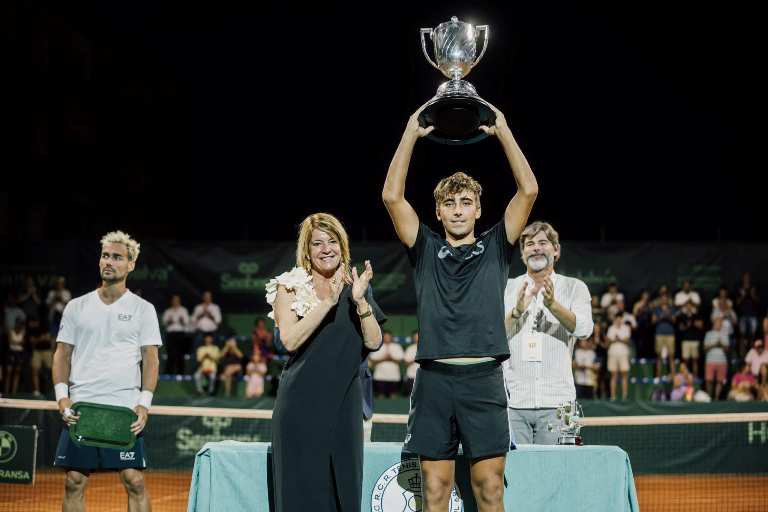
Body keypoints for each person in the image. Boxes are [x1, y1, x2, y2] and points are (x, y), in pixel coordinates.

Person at [382, 101, 538, 511]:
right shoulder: (426, 248)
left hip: (484, 381)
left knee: (490, 490)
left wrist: (503, 130)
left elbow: (529, 190)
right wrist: (410, 134)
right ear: (438, 211)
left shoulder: (496, 247)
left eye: (465, 202)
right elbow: (391, 196)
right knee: (433, 494)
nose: (457, 209)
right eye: (449, 204)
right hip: (434, 382)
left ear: (478, 208)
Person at [266, 213, 384, 512]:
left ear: (342, 246)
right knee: (300, 494)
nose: (326, 248)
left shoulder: (356, 286)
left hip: (345, 404)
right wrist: (327, 303)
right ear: (306, 250)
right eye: (317, 243)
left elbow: (374, 342)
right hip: (300, 406)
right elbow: (290, 340)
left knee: (343, 491)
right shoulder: (289, 286)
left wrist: (360, 302)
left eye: (332, 241)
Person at [52, 230, 161, 512]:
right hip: (82, 406)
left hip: (123, 407)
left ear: (131, 264)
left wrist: (144, 404)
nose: (108, 262)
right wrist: (62, 398)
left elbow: (151, 359)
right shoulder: (76, 307)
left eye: (117, 257)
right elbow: (62, 353)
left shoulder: (143, 309)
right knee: (74, 480)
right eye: (105, 255)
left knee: (134, 480)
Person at [505, 221, 594, 439]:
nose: (536, 247)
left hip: (560, 403)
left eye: (543, 242)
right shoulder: (507, 287)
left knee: (558, 472)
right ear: (522, 254)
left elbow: (585, 329)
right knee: (513, 472)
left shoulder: (575, 287)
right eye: (530, 244)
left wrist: (553, 305)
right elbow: (491, 336)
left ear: (557, 250)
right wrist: (517, 311)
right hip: (513, 403)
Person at [161, 294, 191, 374]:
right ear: (172, 301)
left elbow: (187, 322)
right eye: (174, 300)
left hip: (180, 334)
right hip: (171, 335)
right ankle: (169, 373)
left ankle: (181, 373)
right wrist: (169, 321)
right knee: (170, 354)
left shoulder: (183, 310)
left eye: (177, 300)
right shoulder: (168, 311)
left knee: (180, 354)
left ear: (179, 301)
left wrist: (182, 321)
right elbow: (164, 323)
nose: (175, 302)